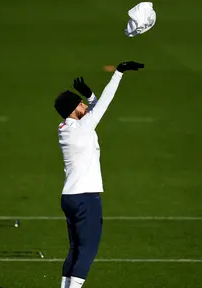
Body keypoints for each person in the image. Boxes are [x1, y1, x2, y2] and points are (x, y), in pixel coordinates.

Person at [54, 61, 144, 288]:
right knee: (87, 251)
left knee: (75, 250)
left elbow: (93, 110)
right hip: (86, 198)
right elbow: (104, 104)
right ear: (74, 109)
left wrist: (90, 96)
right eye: (80, 103)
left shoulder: (65, 128)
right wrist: (119, 73)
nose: (84, 105)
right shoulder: (84, 128)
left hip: (70, 197)